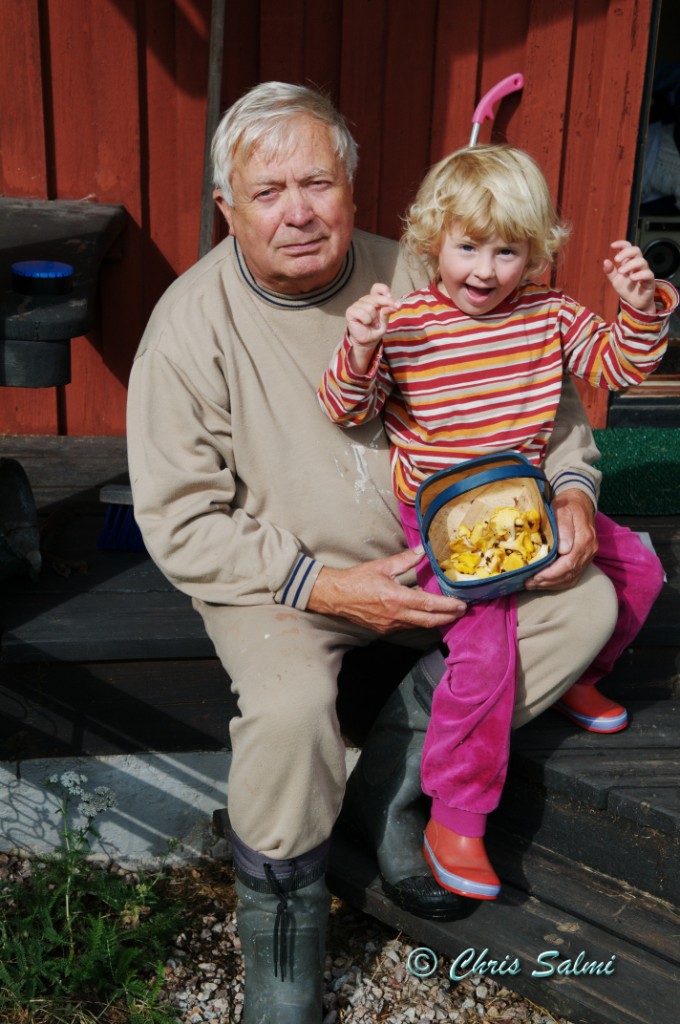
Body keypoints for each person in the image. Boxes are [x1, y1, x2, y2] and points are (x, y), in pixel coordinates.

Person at [127, 84, 622, 1024]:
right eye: (267, 190)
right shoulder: (188, 328)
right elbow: (182, 520)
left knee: (586, 608)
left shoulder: (437, 272)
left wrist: (571, 489)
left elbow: (552, 409)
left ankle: (383, 804)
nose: (299, 210)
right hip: (283, 583)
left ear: (355, 191)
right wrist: (326, 586)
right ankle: (283, 971)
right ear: (226, 207)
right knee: (288, 709)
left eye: (319, 180)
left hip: (456, 560)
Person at [318, 143, 676, 904]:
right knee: (485, 655)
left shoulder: (548, 315)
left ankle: (584, 673)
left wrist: (640, 309)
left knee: (640, 570)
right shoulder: (407, 324)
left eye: (507, 251)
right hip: (446, 517)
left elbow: (617, 368)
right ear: (432, 242)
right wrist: (361, 342)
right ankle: (457, 815)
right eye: (467, 247)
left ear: (536, 253)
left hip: (527, 499)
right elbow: (347, 407)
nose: (484, 270)